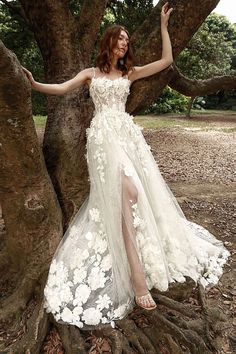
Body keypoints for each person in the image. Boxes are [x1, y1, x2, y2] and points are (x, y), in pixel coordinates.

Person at [22, 3, 230, 331]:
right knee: (126, 193)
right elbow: (62, 88)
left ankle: (138, 259)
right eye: (120, 39)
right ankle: (137, 281)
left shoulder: (128, 73)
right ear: (108, 42)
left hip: (126, 135)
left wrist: (163, 26)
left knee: (133, 193)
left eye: (127, 40)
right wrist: (34, 84)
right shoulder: (91, 74)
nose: (124, 44)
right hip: (103, 139)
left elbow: (166, 62)